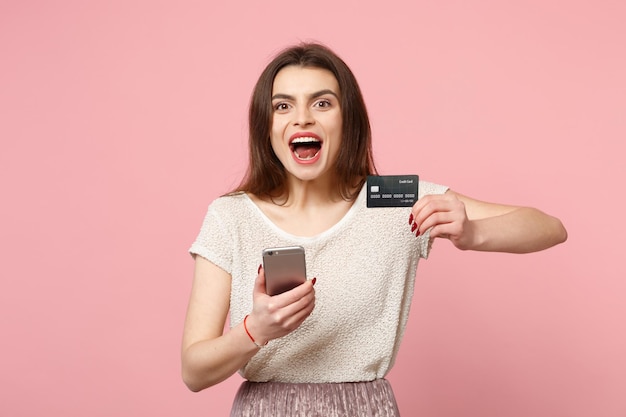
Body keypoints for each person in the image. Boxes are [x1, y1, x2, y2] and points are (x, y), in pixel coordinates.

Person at [181, 42, 567, 416]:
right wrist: (254, 330)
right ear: (266, 126)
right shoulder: (230, 216)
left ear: (348, 119)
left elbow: (549, 228)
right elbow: (194, 372)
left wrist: (472, 234)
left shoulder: (393, 200)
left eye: (322, 103)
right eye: (283, 105)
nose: (303, 118)